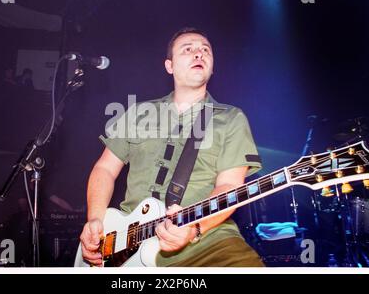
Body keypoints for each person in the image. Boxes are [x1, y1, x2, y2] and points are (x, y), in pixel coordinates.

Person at [79, 27, 264, 267]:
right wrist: (95, 219)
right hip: (125, 241)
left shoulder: (231, 119)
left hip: (208, 239)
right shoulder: (138, 113)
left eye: (205, 50)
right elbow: (105, 168)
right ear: (170, 66)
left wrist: (195, 227)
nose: (199, 54)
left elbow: (229, 186)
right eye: (188, 50)